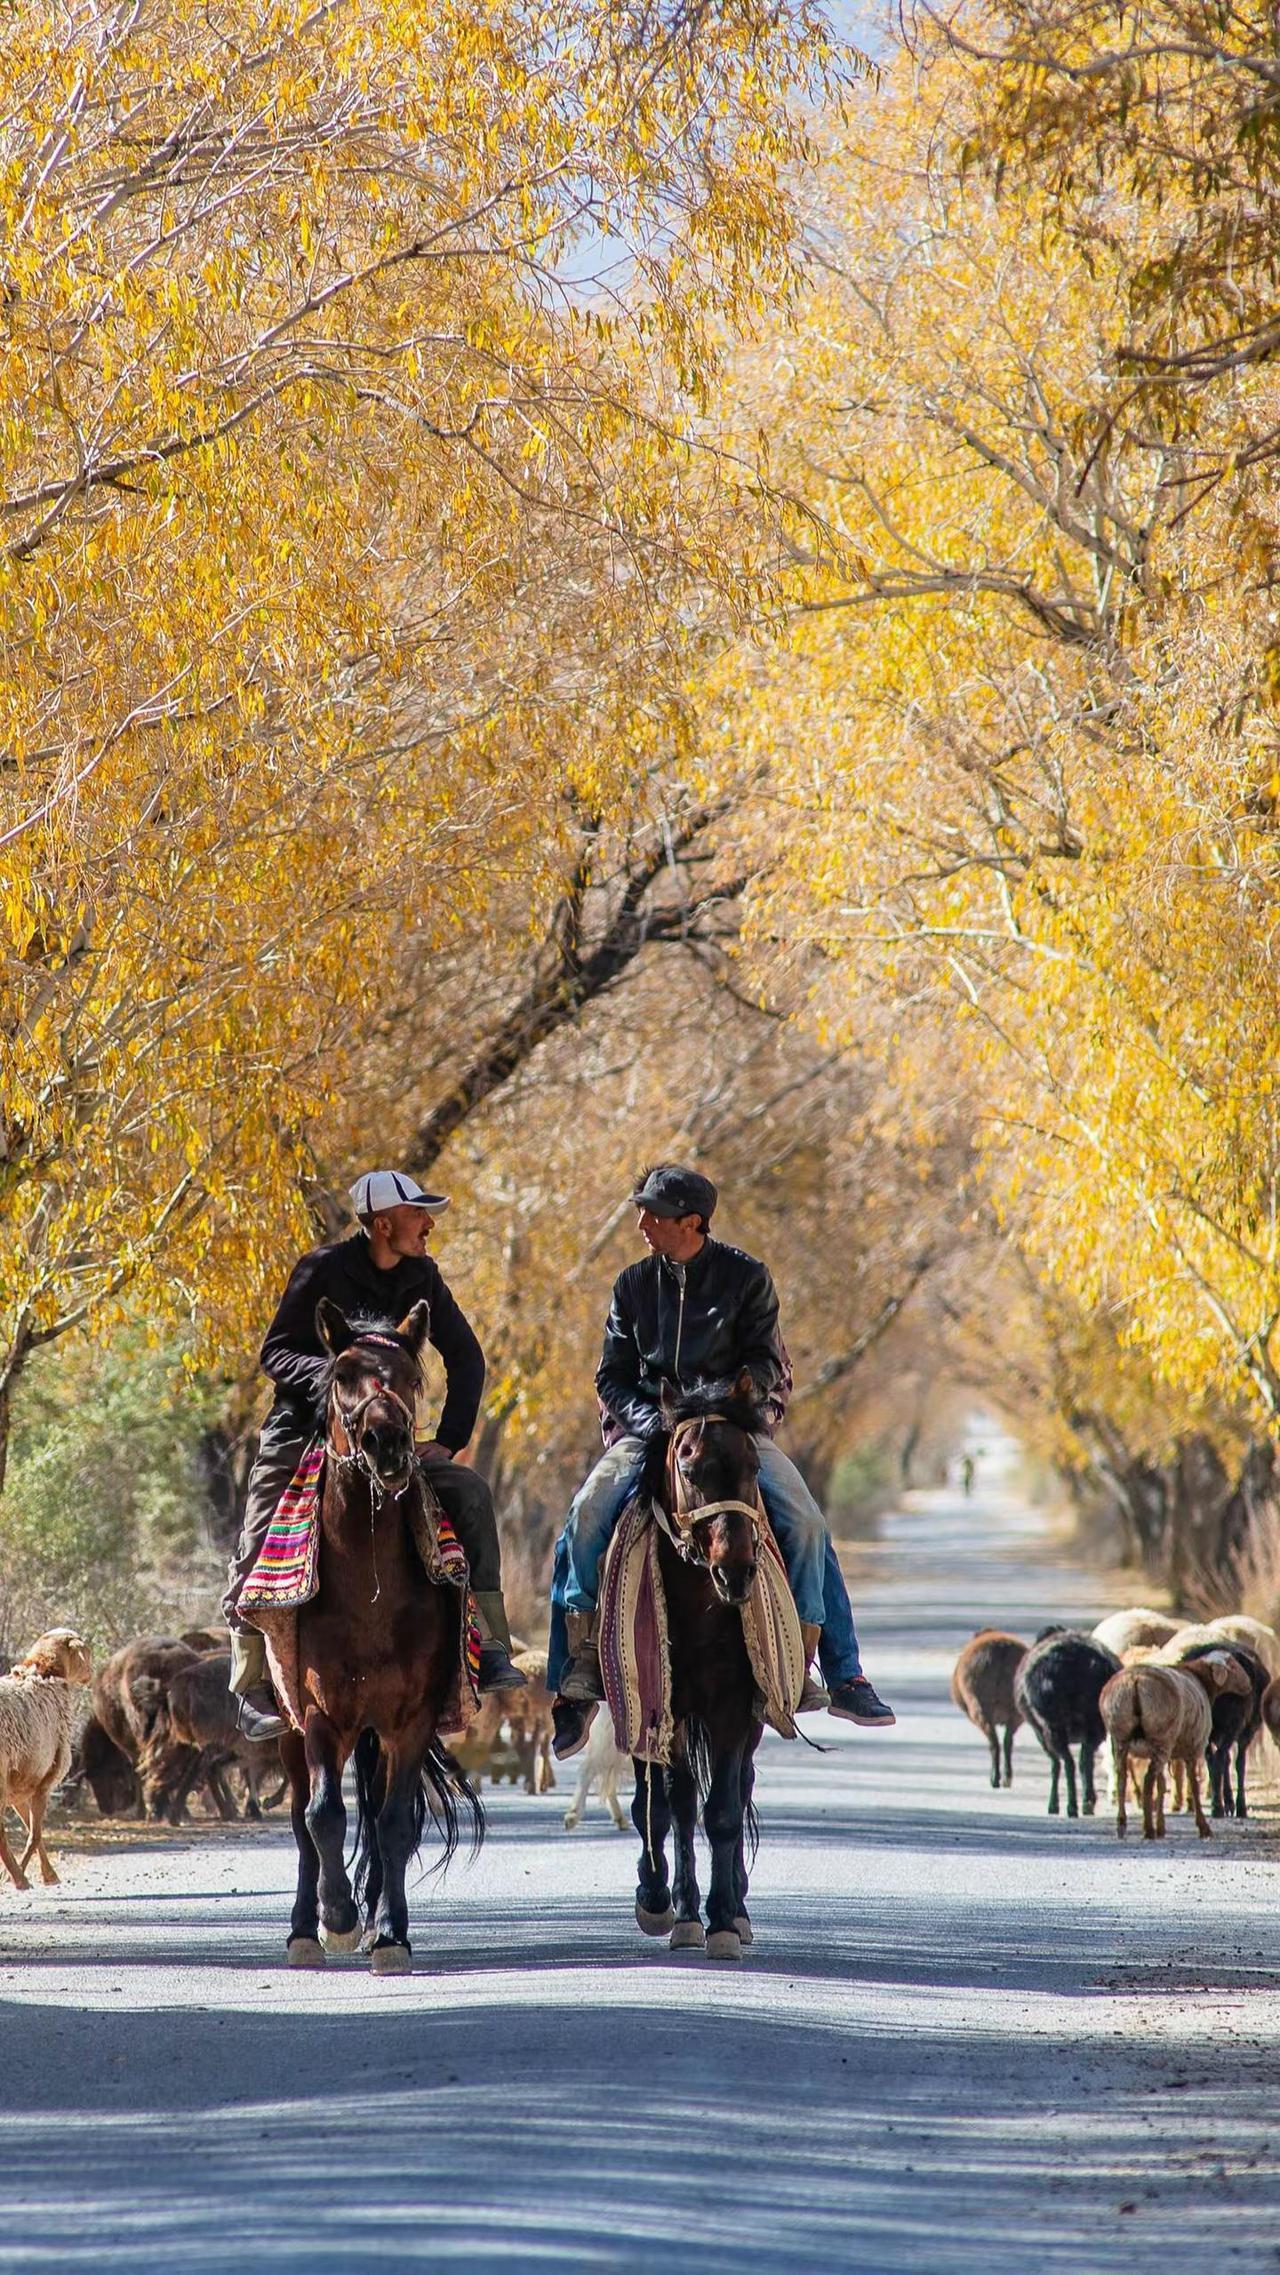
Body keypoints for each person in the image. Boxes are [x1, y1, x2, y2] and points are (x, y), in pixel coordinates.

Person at [548, 1163, 896, 1758]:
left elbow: (767, 1363)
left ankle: (834, 1669)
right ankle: (574, 1678)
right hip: (651, 1433)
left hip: (732, 1431)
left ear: (691, 1223)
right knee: (584, 1515)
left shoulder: (747, 1278)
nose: (640, 1224)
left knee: (807, 1524)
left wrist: (726, 1404)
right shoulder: (632, 1286)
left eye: (652, 1215)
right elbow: (610, 1375)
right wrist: (655, 1422)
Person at [223, 1169, 525, 1741]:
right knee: (261, 1516)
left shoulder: (424, 1276)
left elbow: (467, 1358)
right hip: (308, 1426)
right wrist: (343, 1382)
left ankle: (489, 1642)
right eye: (420, 1215)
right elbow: (276, 1352)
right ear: (383, 1223)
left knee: (472, 1496)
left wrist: (451, 1437)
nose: (429, 1224)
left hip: (391, 1438)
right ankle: (249, 1679)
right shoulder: (320, 1269)